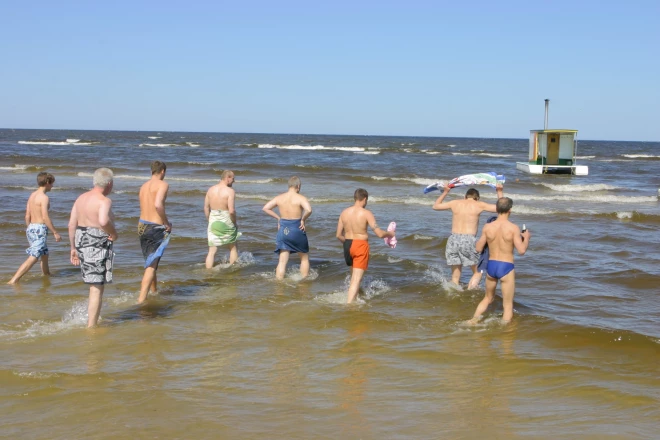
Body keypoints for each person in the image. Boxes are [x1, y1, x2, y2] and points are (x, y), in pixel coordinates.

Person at [68, 168, 118, 328]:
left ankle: (93, 320)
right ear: (109, 184)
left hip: (81, 239)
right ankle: (92, 326)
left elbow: (71, 224)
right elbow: (103, 221)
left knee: (93, 284)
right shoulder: (104, 201)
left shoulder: (80, 198)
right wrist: (114, 233)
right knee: (96, 287)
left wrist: (73, 248)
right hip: (95, 242)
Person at [468, 197, 530, 324]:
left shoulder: (487, 227)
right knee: (507, 305)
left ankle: (473, 320)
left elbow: (478, 248)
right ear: (510, 210)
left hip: (491, 266)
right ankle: (505, 334)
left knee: (487, 298)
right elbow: (521, 251)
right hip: (506, 266)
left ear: (496, 209)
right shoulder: (513, 228)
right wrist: (526, 237)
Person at [432, 183, 504, 289]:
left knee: (455, 277)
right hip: (469, 239)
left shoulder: (455, 203)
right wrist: (499, 191)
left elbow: (435, 206)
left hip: (453, 239)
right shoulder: (479, 204)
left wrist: (446, 192)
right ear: (477, 198)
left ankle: (454, 295)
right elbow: (502, 208)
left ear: (465, 197)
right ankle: (470, 293)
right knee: (477, 271)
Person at [336, 188, 395, 303]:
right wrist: (390, 234)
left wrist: (349, 245)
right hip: (360, 245)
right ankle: (350, 306)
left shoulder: (344, 212)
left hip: (347, 245)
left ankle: (354, 297)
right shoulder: (366, 213)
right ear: (364, 199)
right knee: (356, 280)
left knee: (353, 277)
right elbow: (379, 233)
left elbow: (338, 235)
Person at [8, 172, 62, 284]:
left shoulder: (32, 195)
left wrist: (29, 228)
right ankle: (14, 280)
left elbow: (27, 214)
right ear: (47, 183)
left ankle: (46, 275)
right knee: (34, 256)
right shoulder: (44, 197)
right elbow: (45, 217)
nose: (52, 186)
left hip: (31, 227)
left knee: (44, 253)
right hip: (40, 228)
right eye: (52, 184)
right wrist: (55, 232)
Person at [262, 176, 313, 279]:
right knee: (304, 258)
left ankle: (279, 282)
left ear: (289, 185)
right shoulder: (301, 198)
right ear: (298, 186)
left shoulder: (279, 197)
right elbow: (309, 210)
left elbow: (266, 208)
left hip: (283, 229)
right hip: (297, 228)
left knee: (282, 260)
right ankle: (304, 281)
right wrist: (303, 219)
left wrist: (278, 218)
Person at [137, 161, 172, 303]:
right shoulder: (163, 185)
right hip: (155, 227)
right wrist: (166, 222)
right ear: (162, 171)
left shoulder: (143, 186)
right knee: (151, 265)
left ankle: (154, 292)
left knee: (150, 261)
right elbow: (158, 205)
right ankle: (140, 301)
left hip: (141, 225)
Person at [205, 170, 241, 268]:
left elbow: (206, 208)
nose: (234, 181)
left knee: (212, 250)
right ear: (227, 178)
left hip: (213, 219)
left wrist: (209, 220)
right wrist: (234, 222)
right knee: (233, 247)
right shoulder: (230, 191)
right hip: (226, 219)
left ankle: (208, 271)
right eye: (233, 179)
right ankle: (233, 269)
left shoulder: (210, 190)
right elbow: (231, 211)